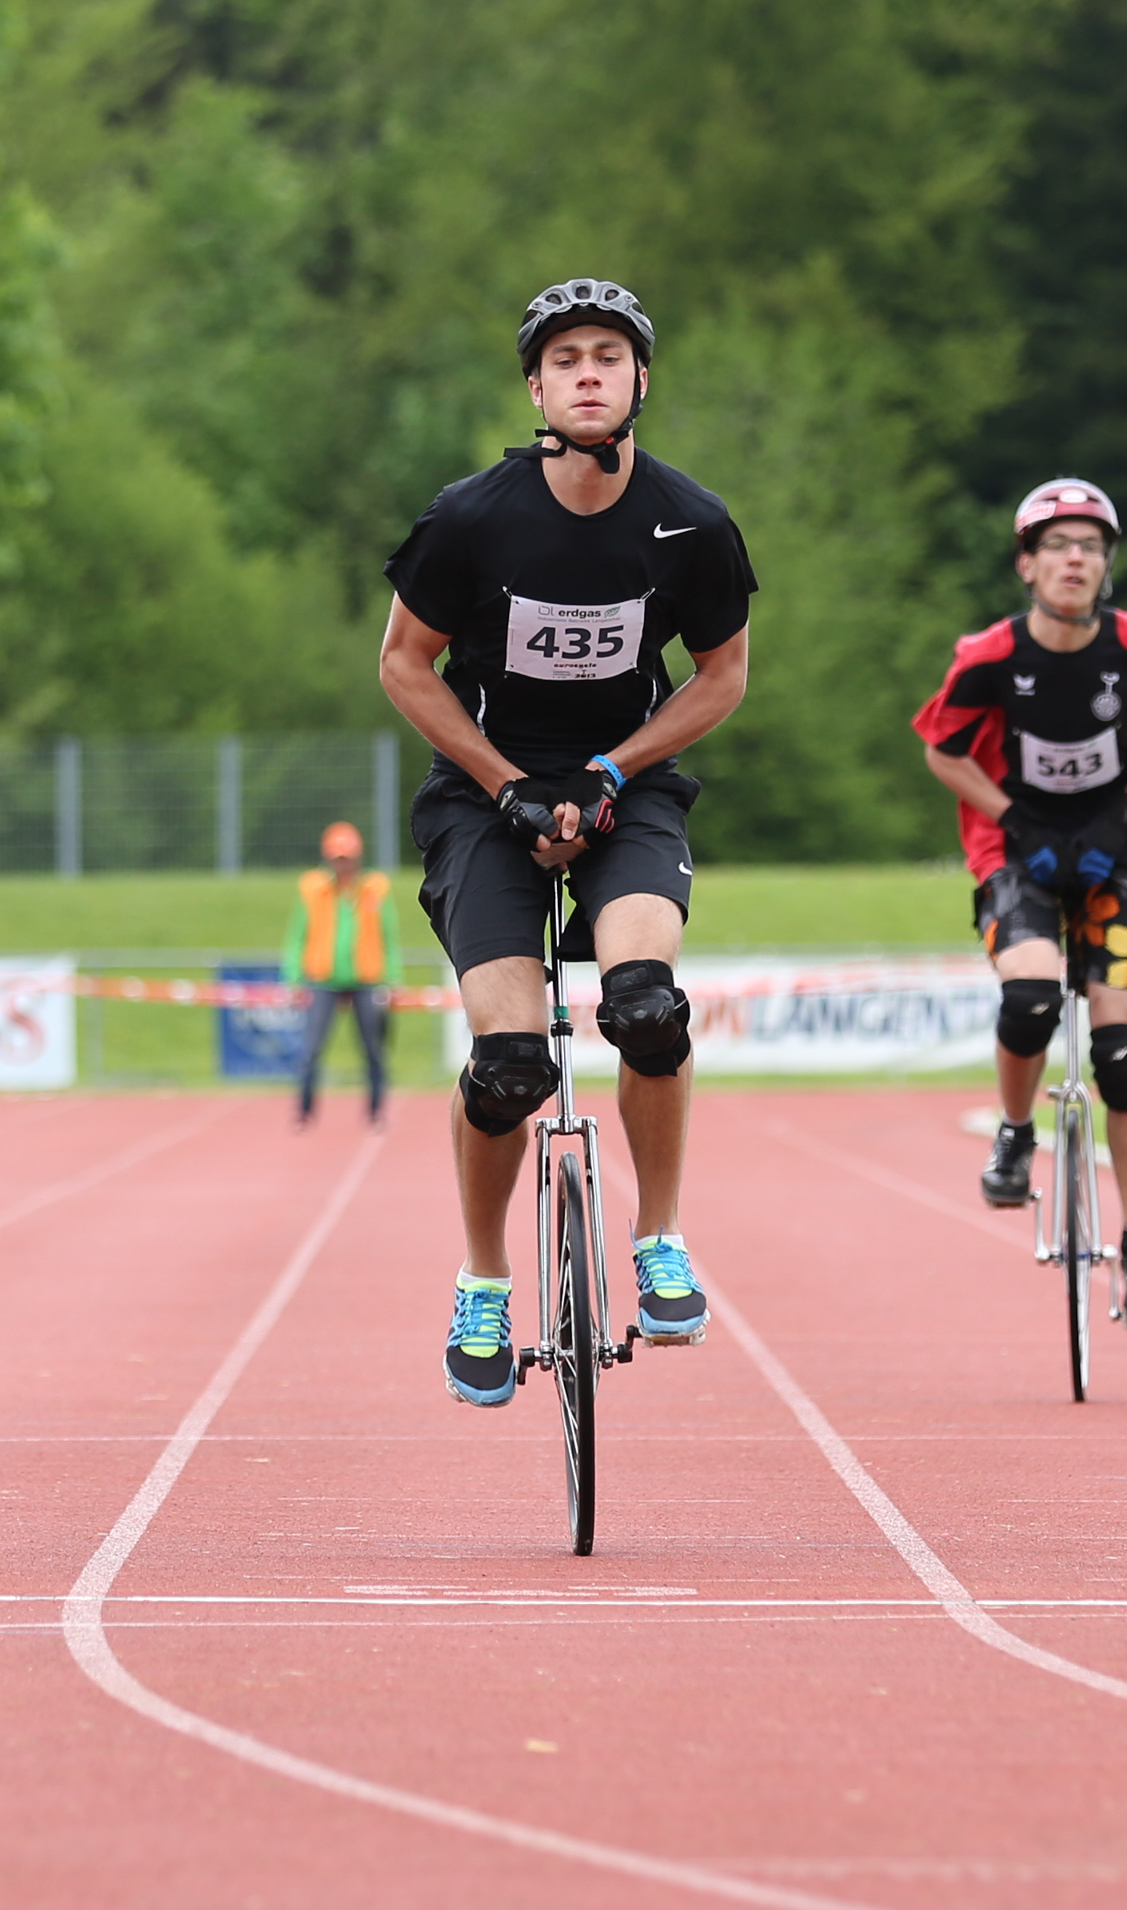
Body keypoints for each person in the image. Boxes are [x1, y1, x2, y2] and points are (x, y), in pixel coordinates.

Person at [379, 278, 756, 1408]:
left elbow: (722, 676)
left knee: (647, 1003)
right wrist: (503, 788)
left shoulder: (692, 522)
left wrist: (608, 772)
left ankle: (663, 1237)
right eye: (566, 359)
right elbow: (405, 664)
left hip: (624, 789)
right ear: (536, 387)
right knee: (512, 1068)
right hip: (485, 796)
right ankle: (486, 1278)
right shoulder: (471, 517)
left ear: (641, 380)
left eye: (609, 355)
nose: (588, 373)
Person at [913, 478, 1127, 1328]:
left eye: (1090, 547)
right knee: (1032, 996)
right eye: (1058, 546)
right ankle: (1014, 1131)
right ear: (1027, 565)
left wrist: (1123, 814)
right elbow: (943, 750)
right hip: (1020, 853)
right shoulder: (989, 656)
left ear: (1106, 565)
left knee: (1122, 1051)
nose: (1075, 560)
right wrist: (1015, 817)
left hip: (1122, 857)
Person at [287, 821, 393, 1127]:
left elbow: (388, 934)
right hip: (322, 978)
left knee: (374, 1050)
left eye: (346, 857)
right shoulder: (312, 888)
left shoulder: (375, 888)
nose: (342, 864)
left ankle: (376, 1111)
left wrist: (392, 977)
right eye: (337, 857)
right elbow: (297, 934)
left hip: (366, 978)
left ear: (357, 857)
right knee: (311, 1050)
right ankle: (304, 1111)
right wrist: (294, 977)